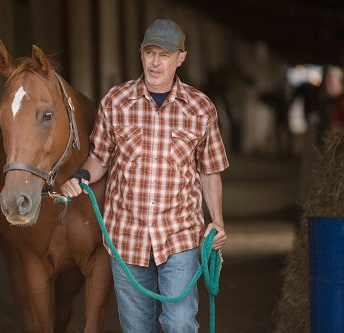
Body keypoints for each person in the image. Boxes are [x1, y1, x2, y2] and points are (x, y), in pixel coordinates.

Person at [61, 19, 229, 332]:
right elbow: (100, 157)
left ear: (180, 58)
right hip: (126, 236)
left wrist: (217, 221)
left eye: (164, 55)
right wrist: (81, 175)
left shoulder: (201, 108)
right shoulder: (115, 101)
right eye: (149, 53)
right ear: (141, 55)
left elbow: (210, 170)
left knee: (179, 324)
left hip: (179, 235)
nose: (155, 62)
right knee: (138, 329)